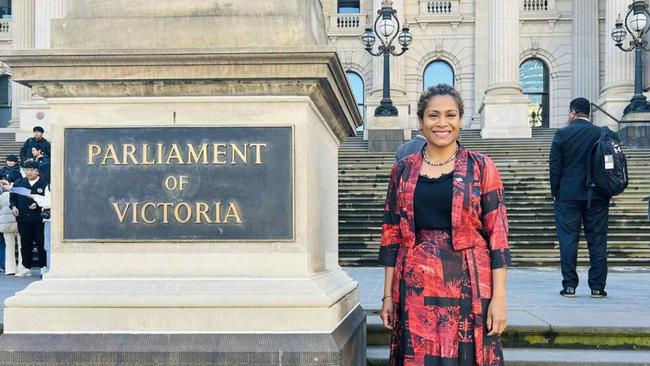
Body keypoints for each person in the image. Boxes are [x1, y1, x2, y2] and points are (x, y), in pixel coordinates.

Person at [379, 84, 510, 365]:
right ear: (421, 121)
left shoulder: (482, 167)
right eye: (433, 115)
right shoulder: (402, 169)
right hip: (415, 286)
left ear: (460, 120)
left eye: (450, 115)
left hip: (469, 283)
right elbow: (391, 236)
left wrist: (499, 299)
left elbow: (498, 237)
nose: (442, 123)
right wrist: (387, 296)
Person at [549, 97, 612, 298]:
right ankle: (597, 287)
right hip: (598, 195)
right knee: (598, 241)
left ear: (573, 112)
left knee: (568, 241)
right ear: (588, 113)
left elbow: (555, 167)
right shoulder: (602, 133)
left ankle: (569, 286)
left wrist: (556, 192)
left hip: (568, 195)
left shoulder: (562, 134)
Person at [9, 160, 47, 277]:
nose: (29, 172)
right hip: (23, 219)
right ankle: (26, 267)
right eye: (26, 170)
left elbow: (47, 199)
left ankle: (43, 266)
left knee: (41, 243)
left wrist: (38, 205)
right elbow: (13, 198)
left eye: (31, 170)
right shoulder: (19, 183)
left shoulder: (44, 183)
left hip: (39, 220)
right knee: (25, 243)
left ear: (37, 171)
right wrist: (14, 207)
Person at [0, 179, 22, 275]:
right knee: (22, 246)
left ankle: (10, 269)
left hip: (6, 225)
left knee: (9, 247)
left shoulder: (1, 196)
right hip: (18, 222)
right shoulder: (18, 195)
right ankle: (22, 267)